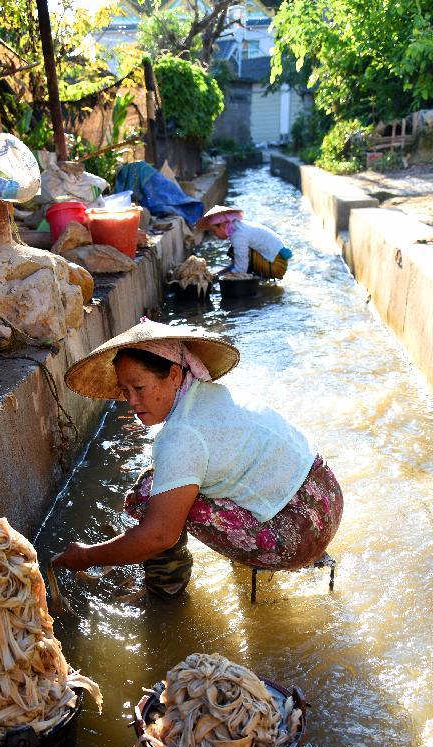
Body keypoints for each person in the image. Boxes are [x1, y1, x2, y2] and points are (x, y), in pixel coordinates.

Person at [53, 319, 343, 599]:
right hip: (325, 497)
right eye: (125, 391)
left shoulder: (180, 435)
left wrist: (87, 556)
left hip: (296, 537)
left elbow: (160, 536)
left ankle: (166, 592)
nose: (131, 401)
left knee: (148, 497)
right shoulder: (211, 394)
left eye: (139, 388)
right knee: (181, 482)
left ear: (175, 376)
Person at [196, 205, 292, 280]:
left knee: (233, 252)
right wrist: (218, 274)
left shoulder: (238, 235)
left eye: (214, 231)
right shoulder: (240, 227)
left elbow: (241, 269)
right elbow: (237, 264)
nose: (215, 235)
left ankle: (256, 278)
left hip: (277, 266)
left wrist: (224, 278)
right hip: (277, 260)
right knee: (236, 253)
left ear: (222, 225)